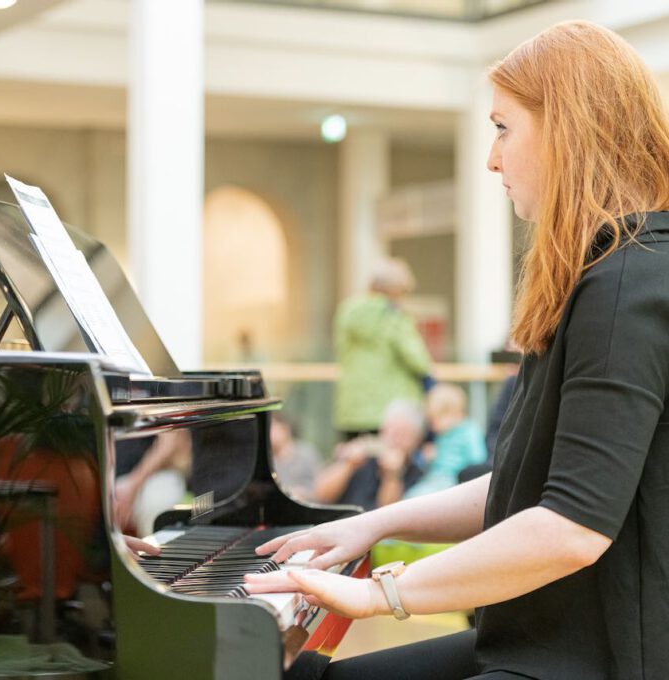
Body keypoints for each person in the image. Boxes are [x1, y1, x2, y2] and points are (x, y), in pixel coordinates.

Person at [244, 20, 669, 680]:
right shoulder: (615, 272)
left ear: (567, 129)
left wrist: (378, 593)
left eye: (503, 128)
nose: (492, 160)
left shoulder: (624, 287)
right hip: (557, 641)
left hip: (599, 658)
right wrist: (371, 525)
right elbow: (534, 488)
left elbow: (570, 530)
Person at [333, 258, 432, 439]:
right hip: (391, 411)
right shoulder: (394, 316)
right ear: (395, 290)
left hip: (352, 409)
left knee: (355, 461)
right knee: (387, 463)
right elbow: (418, 360)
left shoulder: (347, 310)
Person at [315, 400, 428, 510]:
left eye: (402, 434)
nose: (394, 439)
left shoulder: (418, 475)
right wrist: (347, 465)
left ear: (417, 440)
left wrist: (392, 477)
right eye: (390, 430)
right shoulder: (362, 459)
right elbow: (321, 495)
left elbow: (389, 514)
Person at [403, 383, 486, 498]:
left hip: (454, 480)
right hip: (435, 478)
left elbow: (477, 458)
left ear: (450, 413)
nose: (432, 427)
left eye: (433, 421)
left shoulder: (469, 431)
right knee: (410, 496)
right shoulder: (443, 435)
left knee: (420, 497)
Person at [270, 412, 324, 501]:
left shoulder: (306, 453)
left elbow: (321, 486)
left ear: (284, 428)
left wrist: (302, 494)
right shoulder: (269, 461)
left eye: (272, 428)